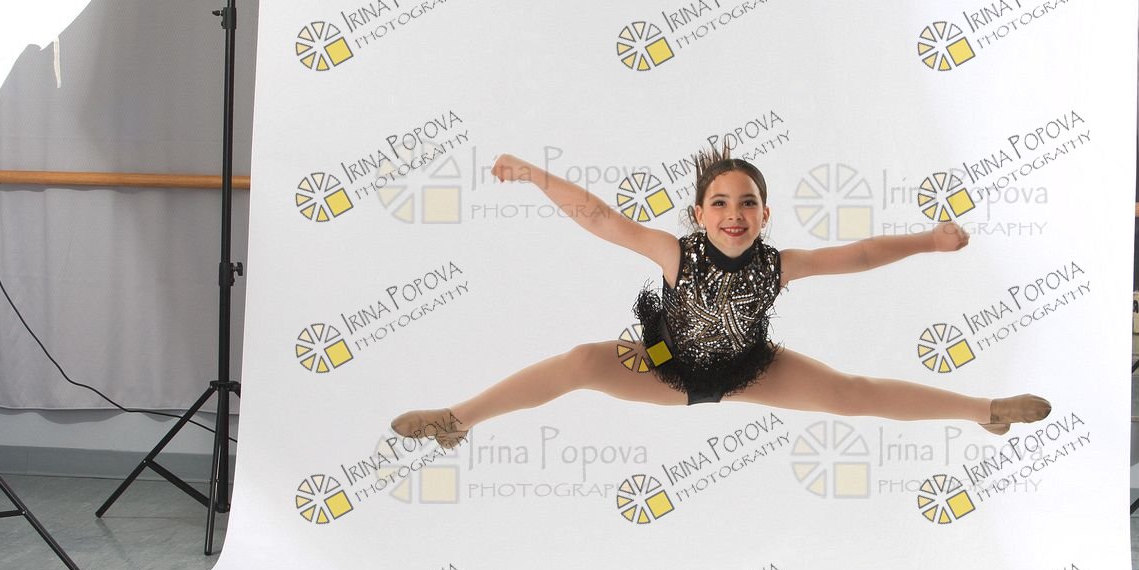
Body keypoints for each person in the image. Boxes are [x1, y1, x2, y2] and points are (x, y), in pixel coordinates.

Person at [391, 143, 1049, 448]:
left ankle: (984, 410)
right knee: (580, 362)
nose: (735, 213)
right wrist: (535, 175)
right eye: (721, 202)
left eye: (748, 203)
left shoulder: (779, 265)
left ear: (765, 215)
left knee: (853, 393)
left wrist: (930, 241)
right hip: (664, 365)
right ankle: (456, 419)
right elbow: (599, 218)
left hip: (748, 368)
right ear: (699, 214)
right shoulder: (673, 253)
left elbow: (863, 254)